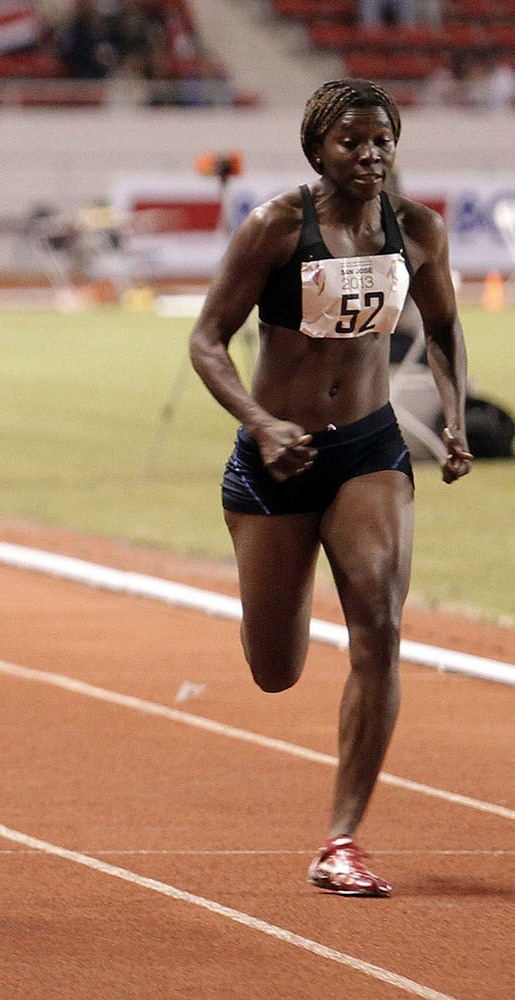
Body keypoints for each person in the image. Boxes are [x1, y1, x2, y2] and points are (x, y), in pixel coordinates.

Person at [188, 79, 470, 898]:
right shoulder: (276, 228)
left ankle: (341, 838)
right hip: (277, 460)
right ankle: (278, 603)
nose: (370, 154)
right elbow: (209, 340)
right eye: (352, 141)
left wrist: (452, 418)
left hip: (369, 450)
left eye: (382, 140)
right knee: (275, 668)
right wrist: (260, 422)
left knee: (379, 620)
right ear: (319, 150)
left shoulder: (417, 232)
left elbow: (448, 329)